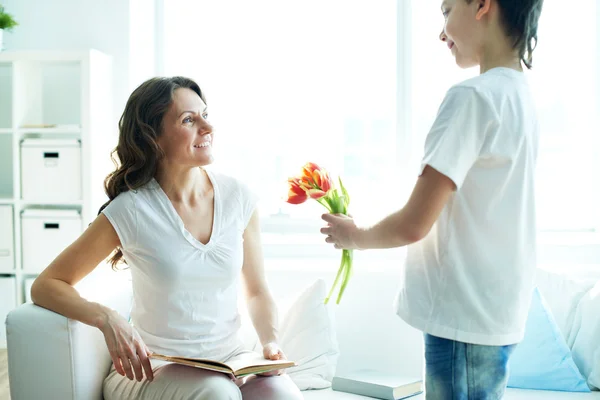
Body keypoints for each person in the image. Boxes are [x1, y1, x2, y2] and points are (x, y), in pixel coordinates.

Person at [320, 0, 544, 398]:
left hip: (463, 315)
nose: (442, 32)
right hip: (495, 310)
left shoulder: (473, 97)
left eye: (445, 11)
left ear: (481, 5)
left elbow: (413, 222)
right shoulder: (521, 96)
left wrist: (353, 236)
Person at [31, 76, 303, 400]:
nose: (207, 127)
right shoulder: (131, 210)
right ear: (153, 138)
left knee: (282, 394)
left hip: (229, 363)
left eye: (205, 114)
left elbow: (257, 292)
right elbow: (47, 284)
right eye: (189, 119)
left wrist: (270, 342)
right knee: (218, 394)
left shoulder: (239, 198)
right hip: (151, 370)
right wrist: (107, 317)